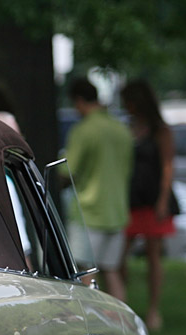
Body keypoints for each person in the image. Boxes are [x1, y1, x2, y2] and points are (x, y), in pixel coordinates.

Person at [64, 77, 134, 300]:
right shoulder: (121, 129)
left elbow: (67, 171)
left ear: (79, 101)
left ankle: (91, 324)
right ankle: (123, 322)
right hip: (117, 211)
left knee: (87, 271)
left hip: (89, 211)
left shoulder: (84, 130)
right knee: (112, 271)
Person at [120, 79, 175, 331]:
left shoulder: (160, 130)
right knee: (119, 255)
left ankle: (154, 311)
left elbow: (167, 166)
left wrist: (162, 200)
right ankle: (124, 305)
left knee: (154, 255)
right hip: (130, 199)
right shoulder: (128, 128)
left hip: (153, 200)